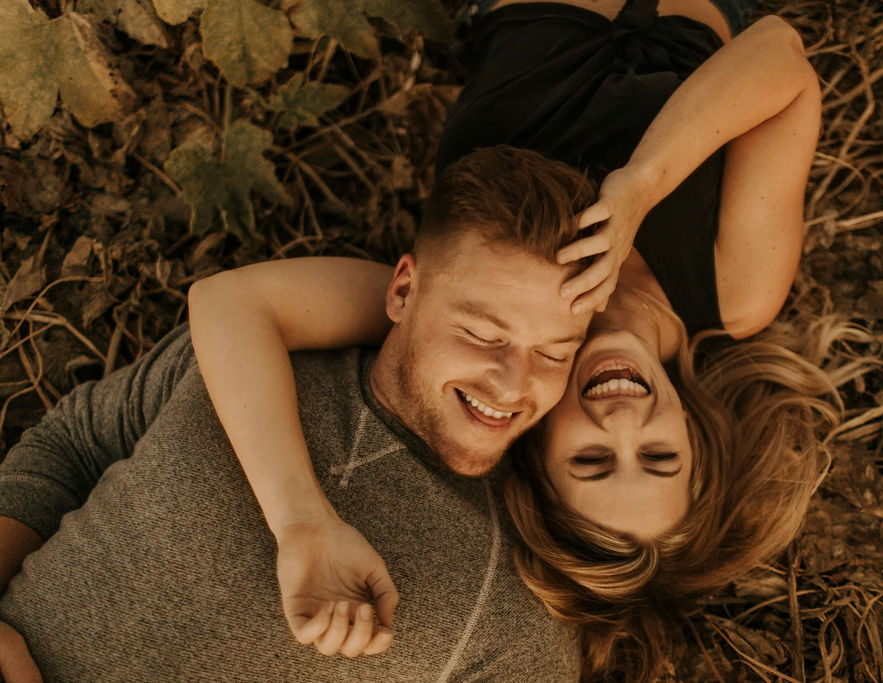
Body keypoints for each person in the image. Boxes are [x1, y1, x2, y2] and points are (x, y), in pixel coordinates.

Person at [184, 0, 846, 679]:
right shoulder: (735, 293)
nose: (623, 422)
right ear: (694, 430)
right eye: (657, 455)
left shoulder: (472, 307)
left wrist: (299, 520)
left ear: (541, 443)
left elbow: (229, 302)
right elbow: (779, 53)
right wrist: (638, 189)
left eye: (591, 460)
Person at [0, 147, 596, 680]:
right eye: (481, 334)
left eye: (553, 352)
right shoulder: (255, 361)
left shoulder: (514, 612)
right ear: (403, 292)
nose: (515, 384)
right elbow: (73, 444)